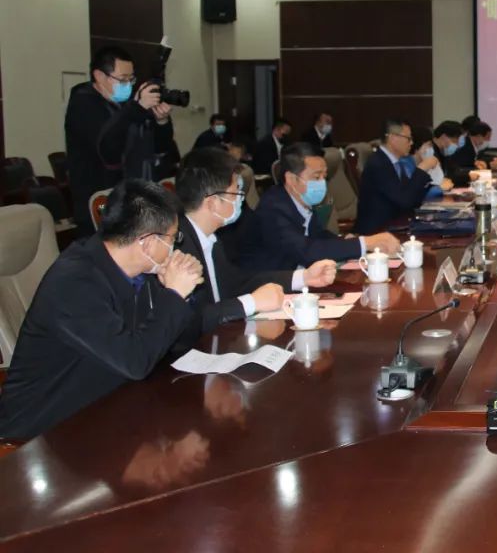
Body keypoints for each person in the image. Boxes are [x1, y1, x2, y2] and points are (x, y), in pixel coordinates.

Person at [0, 180, 202, 440]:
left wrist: (181, 294)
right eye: (173, 238)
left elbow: (177, 345)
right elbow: (135, 362)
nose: (175, 247)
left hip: (107, 406)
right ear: (148, 243)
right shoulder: (73, 283)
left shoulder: (136, 270)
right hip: (43, 434)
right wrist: (174, 295)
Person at [175, 148, 338, 334]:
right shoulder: (178, 248)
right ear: (212, 203)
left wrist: (305, 277)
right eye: (235, 194)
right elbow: (191, 321)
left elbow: (240, 282)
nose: (240, 200)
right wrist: (251, 302)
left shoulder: (211, 239)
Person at [65, 47, 172, 236]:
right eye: (122, 79)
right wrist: (136, 109)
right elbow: (108, 150)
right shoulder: (83, 104)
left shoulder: (127, 105)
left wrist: (161, 121)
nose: (128, 85)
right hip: (99, 201)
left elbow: (159, 147)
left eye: (131, 79)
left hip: (133, 198)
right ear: (99, 76)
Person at [243, 143, 399, 270]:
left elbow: (318, 236)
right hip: (275, 287)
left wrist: (346, 241)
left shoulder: (302, 201)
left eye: (325, 177)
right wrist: (365, 243)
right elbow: (307, 251)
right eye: (316, 177)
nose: (322, 183)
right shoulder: (273, 209)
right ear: (291, 179)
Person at [353, 119, 439, 235]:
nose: (411, 143)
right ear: (393, 138)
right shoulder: (379, 164)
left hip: (397, 224)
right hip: (378, 231)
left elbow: (411, 196)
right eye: (408, 139)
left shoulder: (396, 163)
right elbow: (404, 200)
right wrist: (422, 169)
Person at [429, 120, 469, 187]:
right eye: (454, 141)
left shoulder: (443, 152)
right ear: (444, 137)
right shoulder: (430, 152)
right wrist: (468, 177)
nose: (457, 145)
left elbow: (453, 172)